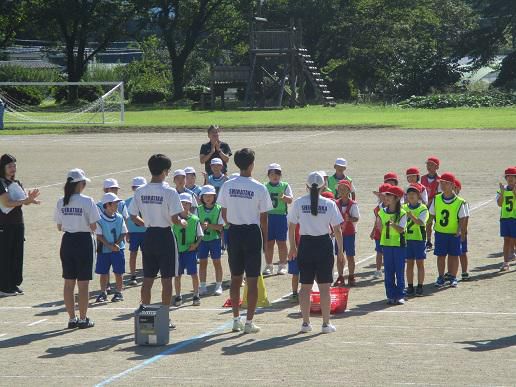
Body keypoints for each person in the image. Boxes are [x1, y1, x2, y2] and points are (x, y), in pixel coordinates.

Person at [218, 148, 273, 334]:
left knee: (235, 278)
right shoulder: (259, 187)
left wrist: (233, 224)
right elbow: (264, 219)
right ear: (251, 165)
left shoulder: (228, 185)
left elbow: (223, 213)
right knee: (252, 278)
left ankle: (235, 319)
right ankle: (249, 322)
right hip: (251, 233)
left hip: (233, 231)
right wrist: (265, 241)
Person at [128, 154, 185, 329]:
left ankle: (146, 315)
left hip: (149, 235)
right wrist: (183, 222)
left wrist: (146, 223)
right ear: (165, 171)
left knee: (148, 278)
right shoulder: (170, 191)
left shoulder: (140, 190)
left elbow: (132, 215)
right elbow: (176, 219)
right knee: (167, 279)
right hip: (165, 236)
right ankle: (165, 318)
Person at [288, 171, 345, 334]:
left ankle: (305, 323)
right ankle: (326, 324)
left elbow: (291, 226)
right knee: (324, 287)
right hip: (323, 245)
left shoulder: (299, 203)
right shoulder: (329, 203)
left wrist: (293, 246)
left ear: (306, 186)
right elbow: (337, 229)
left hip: (305, 244)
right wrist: (340, 251)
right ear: (324, 186)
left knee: (305, 287)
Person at [54, 169, 100, 329]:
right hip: (83, 241)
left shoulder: (61, 201)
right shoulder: (87, 201)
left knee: (68, 282)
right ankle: (83, 318)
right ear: (80, 184)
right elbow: (94, 225)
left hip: (67, 241)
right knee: (83, 284)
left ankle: (72, 318)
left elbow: (59, 226)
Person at [0, 154, 40, 296]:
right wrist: (25, 201)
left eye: (14, 165)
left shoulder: (16, 182)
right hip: (5, 225)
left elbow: (24, 201)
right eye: (9, 166)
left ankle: (13, 284)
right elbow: (6, 203)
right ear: (3, 167)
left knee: (17, 255)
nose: (13, 169)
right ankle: (4, 287)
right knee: (5, 255)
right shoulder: (1, 183)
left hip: (18, 223)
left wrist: (30, 199)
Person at [429, 172, 468, 288]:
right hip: (440, 232)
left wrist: (460, 230)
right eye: (441, 183)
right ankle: (441, 277)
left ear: (452, 185)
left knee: (454, 255)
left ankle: (453, 277)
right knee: (440, 256)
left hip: (453, 234)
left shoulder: (460, 201)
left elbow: (463, 218)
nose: (443, 185)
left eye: (446, 183)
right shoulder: (436, 199)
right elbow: (431, 215)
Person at [95, 193, 128, 303]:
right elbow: (99, 236)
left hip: (118, 249)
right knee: (103, 273)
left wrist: (116, 244)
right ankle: (103, 292)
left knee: (119, 272)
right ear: (107, 205)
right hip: (104, 251)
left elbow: (124, 232)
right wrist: (110, 246)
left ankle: (119, 292)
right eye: (115, 203)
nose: (117, 205)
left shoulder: (119, 218)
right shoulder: (99, 220)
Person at [377, 185, 407, 305]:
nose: (387, 197)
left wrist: (392, 224)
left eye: (390, 195)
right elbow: (379, 227)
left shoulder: (403, 213)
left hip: (399, 245)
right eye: (387, 195)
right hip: (387, 244)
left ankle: (400, 295)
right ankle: (390, 295)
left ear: (397, 198)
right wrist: (379, 224)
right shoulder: (382, 212)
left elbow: (401, 229)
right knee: (388, 271)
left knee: (399, 271)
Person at [173, 193, 204, 307]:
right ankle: (178, 295)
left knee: (194, 274)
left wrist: (195, 245)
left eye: (187, 203)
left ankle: (196, 295)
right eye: (182, 203)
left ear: (190, 205)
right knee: (177, 275)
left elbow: (200, 235)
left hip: (190, 251)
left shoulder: (195, 220)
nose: (184, 206)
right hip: (178, 252)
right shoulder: (174, 220)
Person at [263, 163, 293, 276]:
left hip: (281, 217)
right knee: (269, 242)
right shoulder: (264, 186)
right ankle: (269, 265)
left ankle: (282, 265)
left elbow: (290, 200)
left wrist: (284, 198)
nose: (275, 176)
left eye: (277, 174)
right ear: (268, 175)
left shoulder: (285, 185)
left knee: (281, 242)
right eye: (272, 174)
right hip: (268, 217)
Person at [197, 185, 225, 296]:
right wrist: (200, 227)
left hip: (215, 240)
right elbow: (195, 224)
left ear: (214, 197)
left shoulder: (219, 209)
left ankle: (218, 285)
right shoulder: (198, 210)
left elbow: (221, 227)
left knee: (216, 262)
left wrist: (209, 226)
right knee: (203, 263)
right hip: (202, 241)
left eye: (211, 196)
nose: (208, 198)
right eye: (206, 196)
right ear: (202, 197)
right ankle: (203, 286)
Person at [403, 184, 429, 297]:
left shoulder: (423, 208)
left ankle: (420, 286)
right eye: (409, 194)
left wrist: (411, 216)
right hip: (407, 239)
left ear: (418, 195)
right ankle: (409, 286)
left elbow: (421, 222)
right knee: (409, 264)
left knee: (420, 263)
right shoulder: (404, 207)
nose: (411, 196)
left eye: (413, 194)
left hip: (419, 240)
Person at [333, 180, 359, 287]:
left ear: (349, 191)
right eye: (340, 189)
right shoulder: (335, 203)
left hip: (349, 233)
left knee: (350, 256)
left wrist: (349, 219)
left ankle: (351, 276)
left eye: (344, 189)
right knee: (339, 256)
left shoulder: (353, 204)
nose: (342, 191)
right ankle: (340, 276)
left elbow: (357, 218)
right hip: (338, 234)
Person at [125, 177, 147, 286]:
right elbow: (124, 219)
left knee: (146, 254)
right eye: (136, 188)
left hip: (146, 232)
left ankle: (146, 272)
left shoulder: (147, 201)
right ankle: (133, 275)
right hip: (134, 232)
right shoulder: (127, 202)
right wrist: (127, 232)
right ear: (133, 188)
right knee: (133, 253)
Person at [370, 183, 391, 279]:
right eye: (381, 194)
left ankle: (389, 270)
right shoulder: (377, 208)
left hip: (391, 234)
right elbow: (377, 221)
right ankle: (378, 270)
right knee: (379, 252)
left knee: (389, 253)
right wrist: (373, 231)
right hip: (379, 233)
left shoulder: (394, 207)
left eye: (386, 194)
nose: (383, 196)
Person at [497, 167, 516, 271]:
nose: (510, 178)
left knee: (514, 239)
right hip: (505, 218)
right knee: (506, 240)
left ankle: (512, 255)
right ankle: (505, 262)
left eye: (512, 176)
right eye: (508, 176)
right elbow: (499, 204)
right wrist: (502, 193)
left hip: (515, 218)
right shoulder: (503, 189)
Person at [421, 156, 441, 250]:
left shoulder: (440, 180)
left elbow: (439, 194)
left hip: (436, 205)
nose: (429, 166)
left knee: (438, 223)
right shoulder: (422, 178)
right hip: (425, 205)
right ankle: (428, 241)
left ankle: (439, 240)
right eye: (428, 164)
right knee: (427, 224)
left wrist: (431, 202)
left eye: (431, 165)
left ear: (437, 167)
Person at [453, 178, 470, 280]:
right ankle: (451, 271)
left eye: (454, 188)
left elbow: (466, 218)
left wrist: (463, 232)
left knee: (462, 252)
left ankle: (464, 271)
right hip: (450, 231)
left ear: (458, 189)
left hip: (460, 231)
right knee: (451, 253)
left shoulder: (462, 202)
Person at [287, 224, 301, 303]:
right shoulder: (295, 223)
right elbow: (291, 235)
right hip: (296, 251)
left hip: (307, 250)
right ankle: (295, 293)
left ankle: (310, 292)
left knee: (309, 274)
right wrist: (293, 248)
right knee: (295, 274)